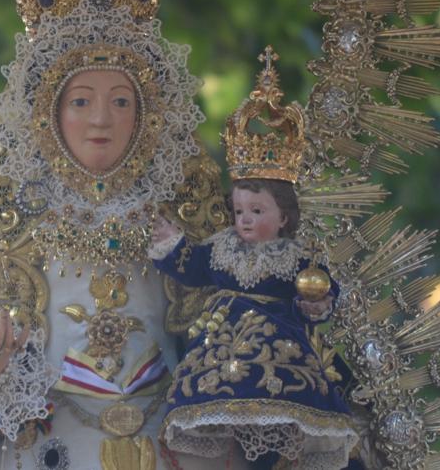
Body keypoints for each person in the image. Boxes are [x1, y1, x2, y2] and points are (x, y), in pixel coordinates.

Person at [147, 49, 359, 470]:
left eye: (256, 212)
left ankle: (278, 455)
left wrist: (317, 302)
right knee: (224, 421)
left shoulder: (296, 257)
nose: (244, 221)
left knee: (285, 412)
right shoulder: (222, 248)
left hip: (281, 350)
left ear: (283, 217)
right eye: (240, 211)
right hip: (219, 352)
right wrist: (171, 242)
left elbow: (318, 290)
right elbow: (191, 266)